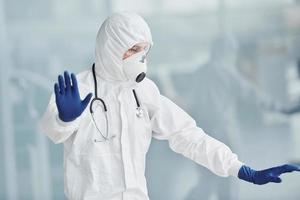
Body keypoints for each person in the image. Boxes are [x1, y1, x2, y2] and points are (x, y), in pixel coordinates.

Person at [40, 12, 300, 200]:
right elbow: (52, 132)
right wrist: (65, 120)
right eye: (134, 50)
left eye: (145, 51)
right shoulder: (78, 88)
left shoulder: (143, 91)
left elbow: (187, 135)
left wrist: (240, 169)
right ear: (112, 48)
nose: (141, 59)